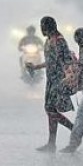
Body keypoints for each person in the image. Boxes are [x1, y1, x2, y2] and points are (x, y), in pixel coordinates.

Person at [26, 16, 75, 152]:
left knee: (50, 109)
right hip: (51, 79)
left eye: (43, 26)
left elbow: (64, 61)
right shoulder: (49, 40)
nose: (41, 29)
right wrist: (35, 67)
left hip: (59, 79)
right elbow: (51, 62)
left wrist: (68, 76)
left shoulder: (58, 41)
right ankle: (51, 143)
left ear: (49, 27)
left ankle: (75, 129)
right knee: (51, 110)